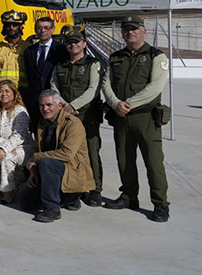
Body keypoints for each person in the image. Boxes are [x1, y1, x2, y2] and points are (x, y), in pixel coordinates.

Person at [101, 15, 171, 223]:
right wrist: (115, 104)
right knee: (124, 160)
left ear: (143, 32)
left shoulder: (156, 56)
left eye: (134, 29)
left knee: (153, 162)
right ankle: (129, 196)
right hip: (121, 118)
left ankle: (160, 204)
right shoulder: (115, 57)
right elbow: (106, 83)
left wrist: (127, 104)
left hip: (146, 118)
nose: (130, 32)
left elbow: (155, 87)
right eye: (126, 29)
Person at [22, 90, 95, 223]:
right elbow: (36, 149)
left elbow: (67, 154)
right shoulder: (42, 123)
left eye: (49, 105)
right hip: (49, 171)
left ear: (59, 106)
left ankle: (53, 208)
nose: (45, 109)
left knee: (46, 162)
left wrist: (36, 158)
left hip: (70, 170)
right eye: (42, 105)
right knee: (27, 204)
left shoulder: (73, 124)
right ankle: (67, 199)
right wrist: (33, 171)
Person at [50, 29, 105, 206]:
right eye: (69, 42)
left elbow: (93, 89)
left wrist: (73, 105)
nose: (73, 45)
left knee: (91, 151)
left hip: (87, 114)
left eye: (76, 42)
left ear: (84, 44)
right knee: (68, 151)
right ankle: (74, 188)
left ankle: (95, 189)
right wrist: (64, 104)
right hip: (66, 114)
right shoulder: (60, 66)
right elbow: (54, 86)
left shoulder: (93, 64)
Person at [0, 79, 33, 203]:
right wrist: (3, 146)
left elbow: (19, 135)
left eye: (7, 91)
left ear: (14, 93)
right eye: (0, 91)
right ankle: (16, 186)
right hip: (2, 147)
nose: (4, 94)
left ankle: (8, 192)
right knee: (6, 159)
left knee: (7, 157)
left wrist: (5, 149)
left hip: (23, 147)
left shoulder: (20, 111)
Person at [23, 16, 68, 121]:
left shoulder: (62, 49)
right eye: (39, 28)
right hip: (35, 102)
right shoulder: (29, 51)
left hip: (54, 101)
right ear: (35, 30)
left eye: (46, 28)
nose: (42, 31)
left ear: (53, 29)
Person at [0, 10, 29, 92]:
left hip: (21, 90)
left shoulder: (27, 48)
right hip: (1, 91)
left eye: (15, 25)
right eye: (8, 25)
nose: (11, 27)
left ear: (21, 26)